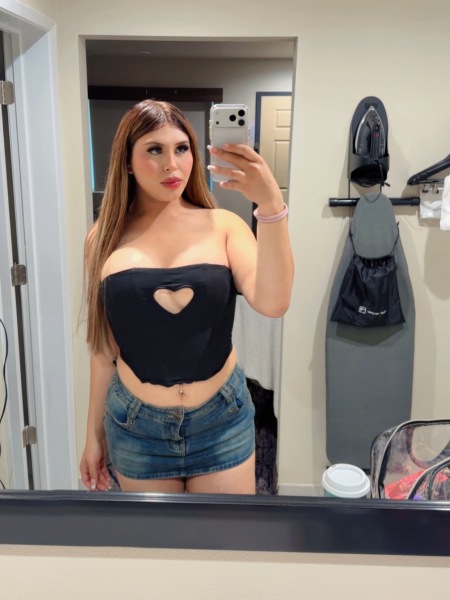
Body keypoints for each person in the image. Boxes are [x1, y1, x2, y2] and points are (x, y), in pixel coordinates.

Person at [80, 99, 294, 495]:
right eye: (154, 150)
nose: (171, 164)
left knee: (224, 535)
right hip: (138, 427)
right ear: (127, 162)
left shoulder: (224, 226)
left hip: (221, 421)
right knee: (158, 537)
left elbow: (274, 301)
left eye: (181, 149)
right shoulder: (102, 239)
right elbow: (102, 349)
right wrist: (93, 434)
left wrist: (271, 205)